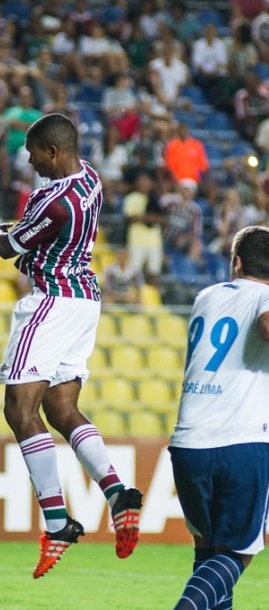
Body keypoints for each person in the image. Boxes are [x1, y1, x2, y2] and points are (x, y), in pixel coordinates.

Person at [0, 113, 143, 579]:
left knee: (19, 409)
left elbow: (6, 246)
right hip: (85, 301)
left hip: (52, 302)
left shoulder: (54, 203)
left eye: (33, 152)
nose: (29, 160)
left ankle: (57, 521)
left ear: (53, 153)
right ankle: (118, 492)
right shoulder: (89, 177)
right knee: (61, 409)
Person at [169, 225, 269, 610]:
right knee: (240, 551)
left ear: (237, 262)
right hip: (242, 442)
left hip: (189, 444)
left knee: (208, 552)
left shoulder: (205, 296)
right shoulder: (264, 296)